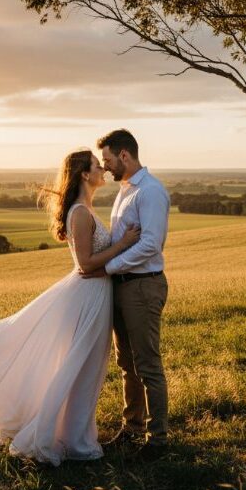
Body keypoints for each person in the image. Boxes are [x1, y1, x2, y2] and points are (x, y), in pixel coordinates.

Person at [0, 149, 140, 466]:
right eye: (97, 166)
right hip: (87, 297)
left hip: (95, 294)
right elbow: (85, 264)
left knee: (85, 368)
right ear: (84, 174)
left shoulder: (86, 209)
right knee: (79, 368)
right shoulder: (80, 213)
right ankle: (69, 441)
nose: (103, 170)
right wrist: (123, 244)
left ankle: (73, 436)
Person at [84, 129, 171, 462]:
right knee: (126, 364)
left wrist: (107, 267)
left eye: (107, 159)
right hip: (121, 285)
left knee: (147, 364)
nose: (104, 166)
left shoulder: (150, 191)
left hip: (142, 285)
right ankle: (132, 427)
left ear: (124, 155)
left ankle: (157, 439)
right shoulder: (125, 190)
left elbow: (150, 244)